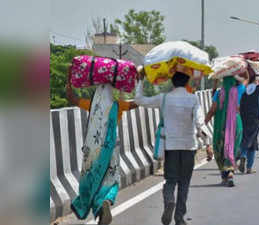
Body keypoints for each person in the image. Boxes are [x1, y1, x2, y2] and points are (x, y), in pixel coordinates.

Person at [134, 70, 207, 225]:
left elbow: (139, 100)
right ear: (187, 83)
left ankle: (169, 201)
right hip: (189, 146)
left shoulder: (164, 98)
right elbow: (199, 122)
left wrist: (140, 81)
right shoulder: (193, 99)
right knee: (184, 183)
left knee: (170, 180)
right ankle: (179, 218)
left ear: (172, 83)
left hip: (171, 146)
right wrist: (207, 143)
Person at [66, 79, 137, 225]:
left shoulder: (92, 105)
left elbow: (72, 98)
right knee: (111, 180)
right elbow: (136, 103)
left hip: (94, 149)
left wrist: (69, 84)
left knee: (94, 179)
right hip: (112, 149)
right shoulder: (118, 105)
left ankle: (98, 208)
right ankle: (105, 201)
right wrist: (140, 83)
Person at [205, 75, 246, 187]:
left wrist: (205, 121)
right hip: (236, 124)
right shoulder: (239, 90)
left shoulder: (219, 93)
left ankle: (224, 176)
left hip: (220, 125)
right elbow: (245, 79)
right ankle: (231, 172)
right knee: (233, 147)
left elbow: (213, 110)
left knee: (220, 149)